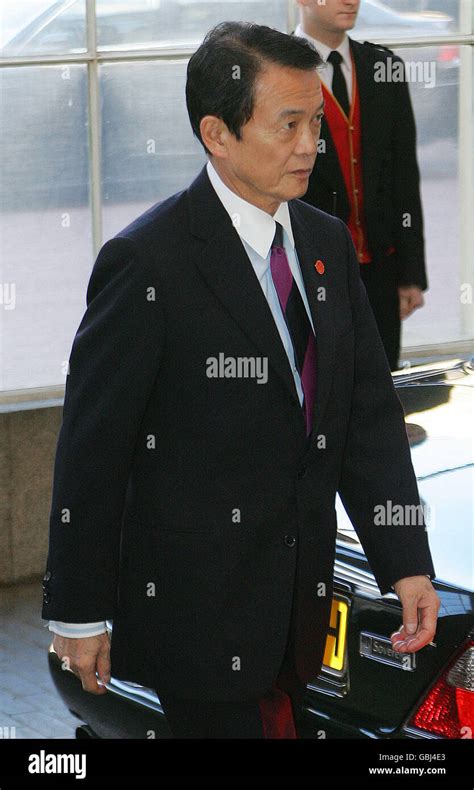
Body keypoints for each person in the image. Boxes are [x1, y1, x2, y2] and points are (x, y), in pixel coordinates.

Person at [42, 21, 439, 739]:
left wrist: (406, 561)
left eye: (315, 121)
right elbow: (91, 452)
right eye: (288, 125)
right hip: (195, 621)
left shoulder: (324, 245)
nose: (310, 145)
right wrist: (78, 611)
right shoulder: (147, 263)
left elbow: (365, 417)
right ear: (217, 134)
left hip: (298, 611)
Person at [294, 0, 427, 370]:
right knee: (320, 383)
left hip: (380, 266)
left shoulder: (384, 67)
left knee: (382, 379)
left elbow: (405, 176)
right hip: (311, 266)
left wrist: (410, 274)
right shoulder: (279, 71)